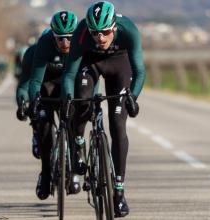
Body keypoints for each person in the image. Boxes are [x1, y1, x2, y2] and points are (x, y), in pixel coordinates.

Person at [61, 1, 145, 217]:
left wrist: (132, 97)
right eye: (95, 33)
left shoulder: (129, 30)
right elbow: (70, 74)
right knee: (81, 103)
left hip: (120, 64)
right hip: (90, 64)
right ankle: (78, 145)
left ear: (114, 27)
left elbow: (139, 70)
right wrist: (69, 98)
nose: (100, 38)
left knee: (117, 125)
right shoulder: (81, 33)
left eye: (105, 32)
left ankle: (119, 191)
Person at [26, 10, 79, 200]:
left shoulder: (81, 41)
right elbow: (35, 81)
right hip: (48, 82)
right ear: (53, 36)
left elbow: (90, 76)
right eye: (60, 39)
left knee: (74, 121)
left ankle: (73, 169)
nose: (65, 43)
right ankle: (46, 173)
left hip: (70, 83)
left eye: (69, 38)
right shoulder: (44, 43)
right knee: (45, 127)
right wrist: (34, 102)